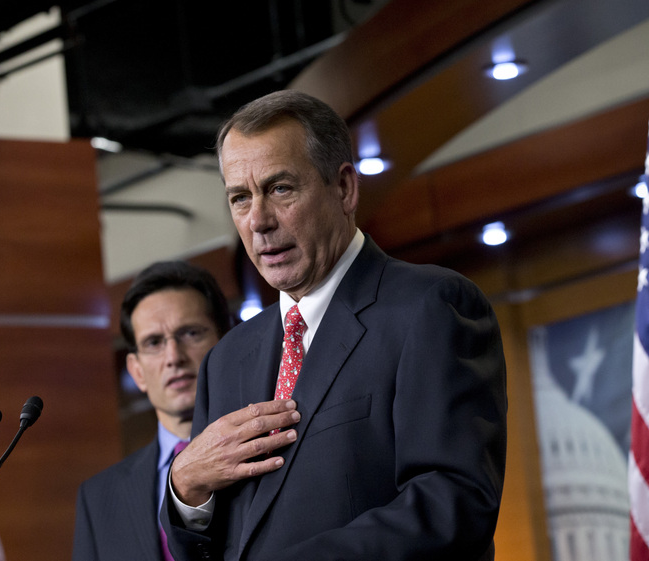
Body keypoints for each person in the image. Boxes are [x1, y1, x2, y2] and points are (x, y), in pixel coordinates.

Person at [162, 90, 507, 561]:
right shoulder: (226, 359)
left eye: (280, 188)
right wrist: (186, 487)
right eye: (240, 198)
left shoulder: (429, 307)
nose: (258, 220)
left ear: (343, 188)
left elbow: (454, 505)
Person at [73, 261, 231, 561]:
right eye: (154, 342)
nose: (174, 357)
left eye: (191, 333)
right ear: (137, 371)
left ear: (227, 340)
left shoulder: (270, 446)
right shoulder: (97, 500)